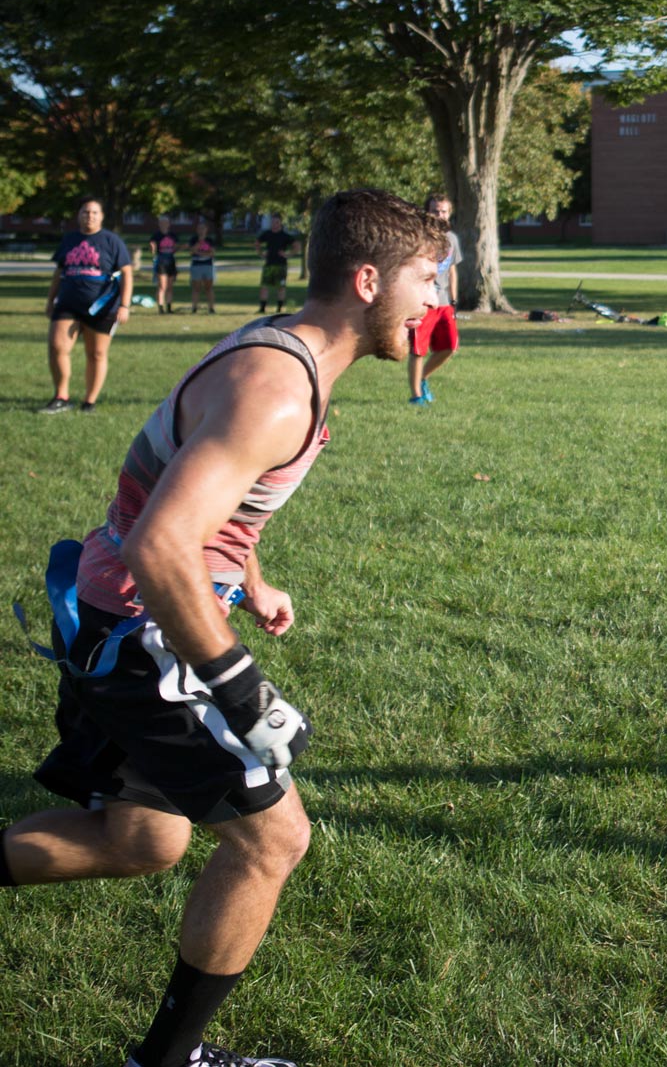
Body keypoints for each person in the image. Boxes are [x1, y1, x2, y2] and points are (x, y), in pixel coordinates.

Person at [3, 189, 448, 1067]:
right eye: (426, 280)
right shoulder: (278, 390)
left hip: (118, 610)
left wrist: (250, 574)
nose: (437, 302)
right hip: (144, 628)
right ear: (367, 280)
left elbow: (201, 498)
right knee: (274, 837)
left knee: (142, 839)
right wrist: (241, 686)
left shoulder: (285, 355)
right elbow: (161, 542)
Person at [41, 196, 133, 414]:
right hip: (68, 303)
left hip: (102, 306)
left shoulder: (112, 241)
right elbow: (59, 272)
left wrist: (125, 305)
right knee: (57, 347)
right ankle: (62, 396)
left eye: (94, 212)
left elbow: (127, 273)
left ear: (101, 217)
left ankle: (89, 401)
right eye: (85, 212)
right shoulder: (69, 239)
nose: (89, 216)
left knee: (96, 354)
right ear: (78, 215)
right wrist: (50, 299)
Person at [407, 193, 462, 406]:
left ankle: (422, 378)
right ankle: (416, 396)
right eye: (435, 211)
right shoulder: (418, 239)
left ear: (449, 214)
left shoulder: (452, 240)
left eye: (443, 211)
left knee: (450, 345)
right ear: (427, 213)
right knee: (419, 349)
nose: (440, 215)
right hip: (423, 301)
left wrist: (454, 301)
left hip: (444, 301)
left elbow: (452, 271)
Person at [255, 215, 300, 314]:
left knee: (281, 287)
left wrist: (288, 254)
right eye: (273, 222)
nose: (274, 224)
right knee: (264, 286)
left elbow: (296, 246)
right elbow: (257, 242)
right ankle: (262, 308)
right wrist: (261, 253)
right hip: (269, 264)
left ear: (280, 223)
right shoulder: (267, 234)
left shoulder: (284, 236)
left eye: (276, 222)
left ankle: (279, 308)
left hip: (281, 265)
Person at [150, 216, 181, 314]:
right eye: (162, 223)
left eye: (166, 223)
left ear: (169, 224)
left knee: (170, 286)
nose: (164, 225)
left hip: (171, 261)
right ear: (159, 224)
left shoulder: (173, 235)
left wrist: (180, 247)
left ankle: (169, 307)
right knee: (162, 286)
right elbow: (153, 249)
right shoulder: (156, 236)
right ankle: (160, 308)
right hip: (161, 262)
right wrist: (153, 248)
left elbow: (175, 248)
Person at [189, 220, 217, 313]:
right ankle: (194, 308)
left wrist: (200, 253)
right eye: (199, 228)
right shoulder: (193, 239)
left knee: (209, 287)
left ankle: (211, 308)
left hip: (208, 265)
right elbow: (192, 251)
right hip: (196, 265)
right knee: (196, 288)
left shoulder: (210, 240)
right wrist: (200, 242)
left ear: (206, 229)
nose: (201, 230)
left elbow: (212, 253)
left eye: (203, 228)